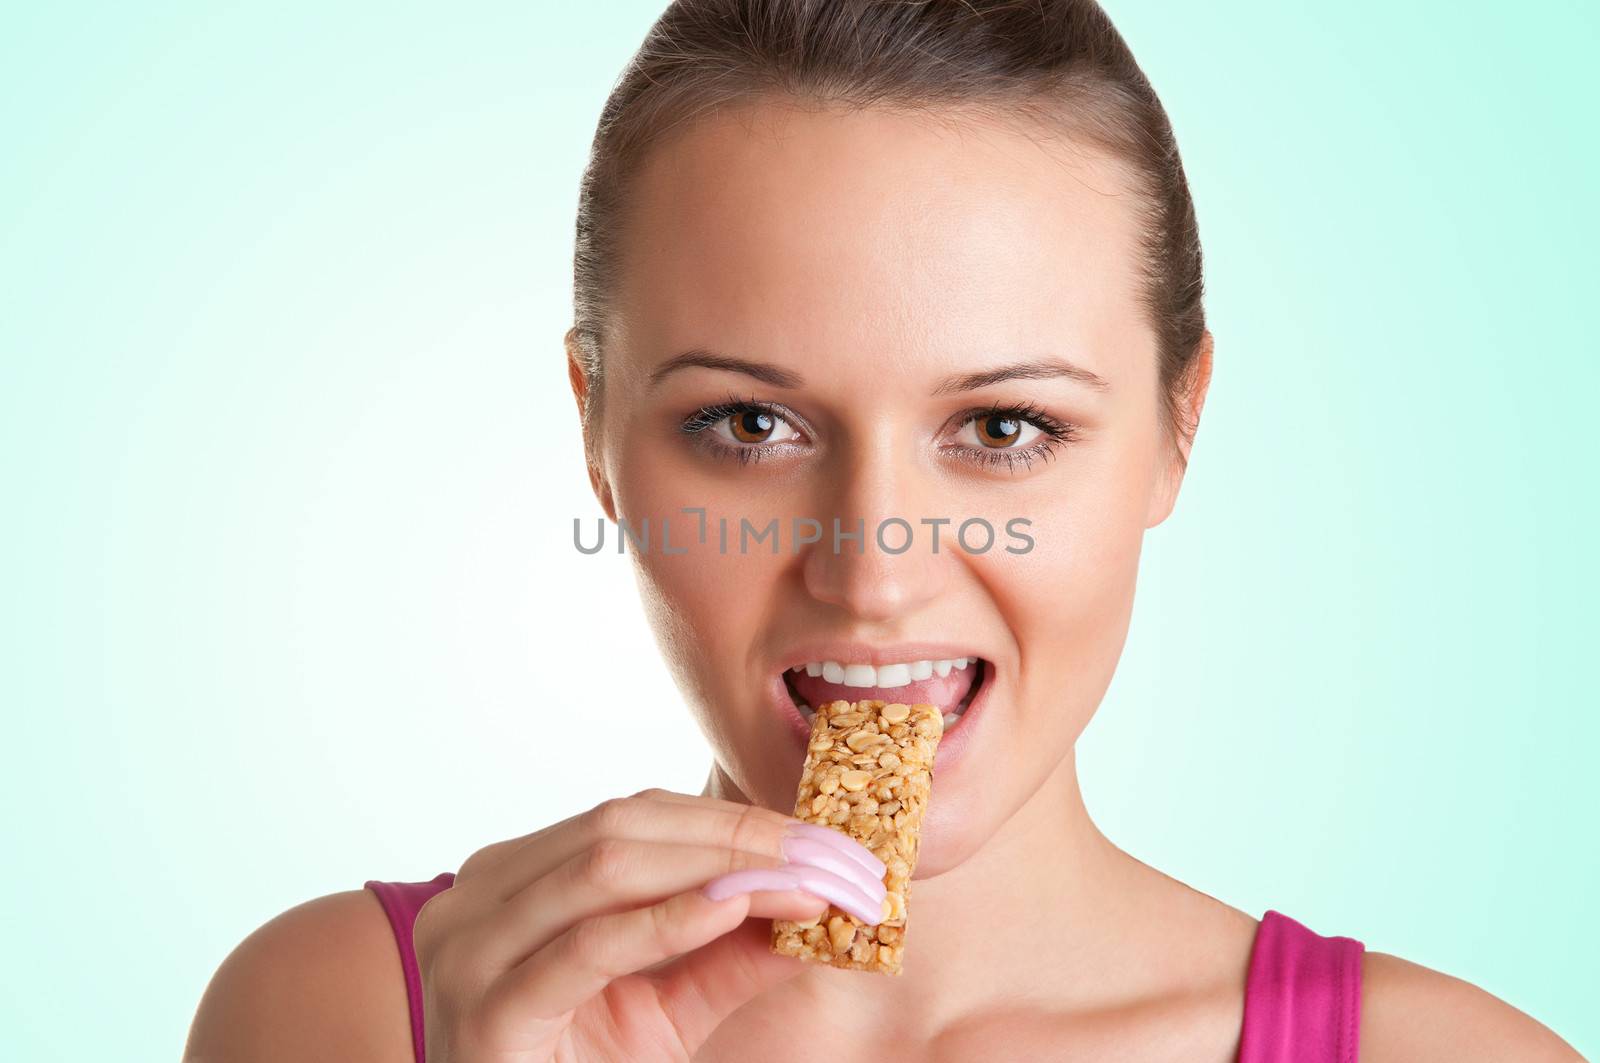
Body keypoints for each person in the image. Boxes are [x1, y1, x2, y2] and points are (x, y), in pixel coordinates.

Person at [184, 2, 1582, 1060]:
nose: (873, 573)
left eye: (1003, 429)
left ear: (1180, 425)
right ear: (595, 431)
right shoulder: (348, 1016)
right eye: (748, 426)